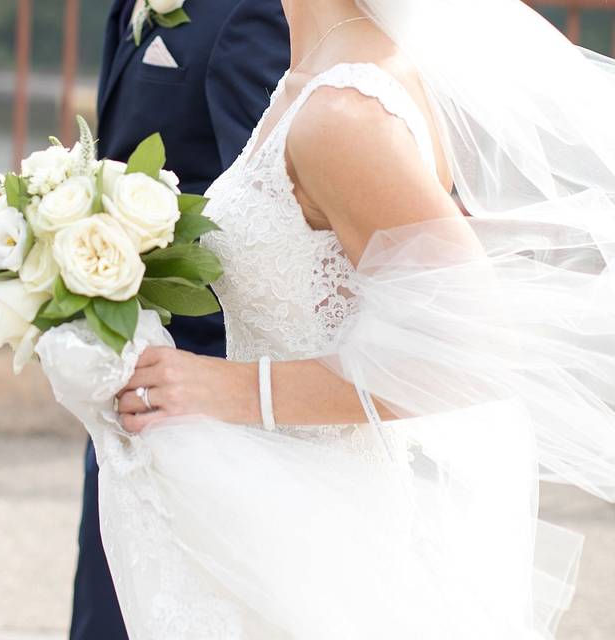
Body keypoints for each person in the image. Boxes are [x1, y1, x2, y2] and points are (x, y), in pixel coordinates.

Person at [41, 0, 615, 636]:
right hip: (285, 498)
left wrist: (225, 387)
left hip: (335, 521)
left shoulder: (345, 115)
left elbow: (467, 353)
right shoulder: (316, 68)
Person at [69, 1, 288, 638]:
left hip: (203, 406)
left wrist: (208, 382)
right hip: (132, 388)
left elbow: (281, 228)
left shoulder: (253, 17)